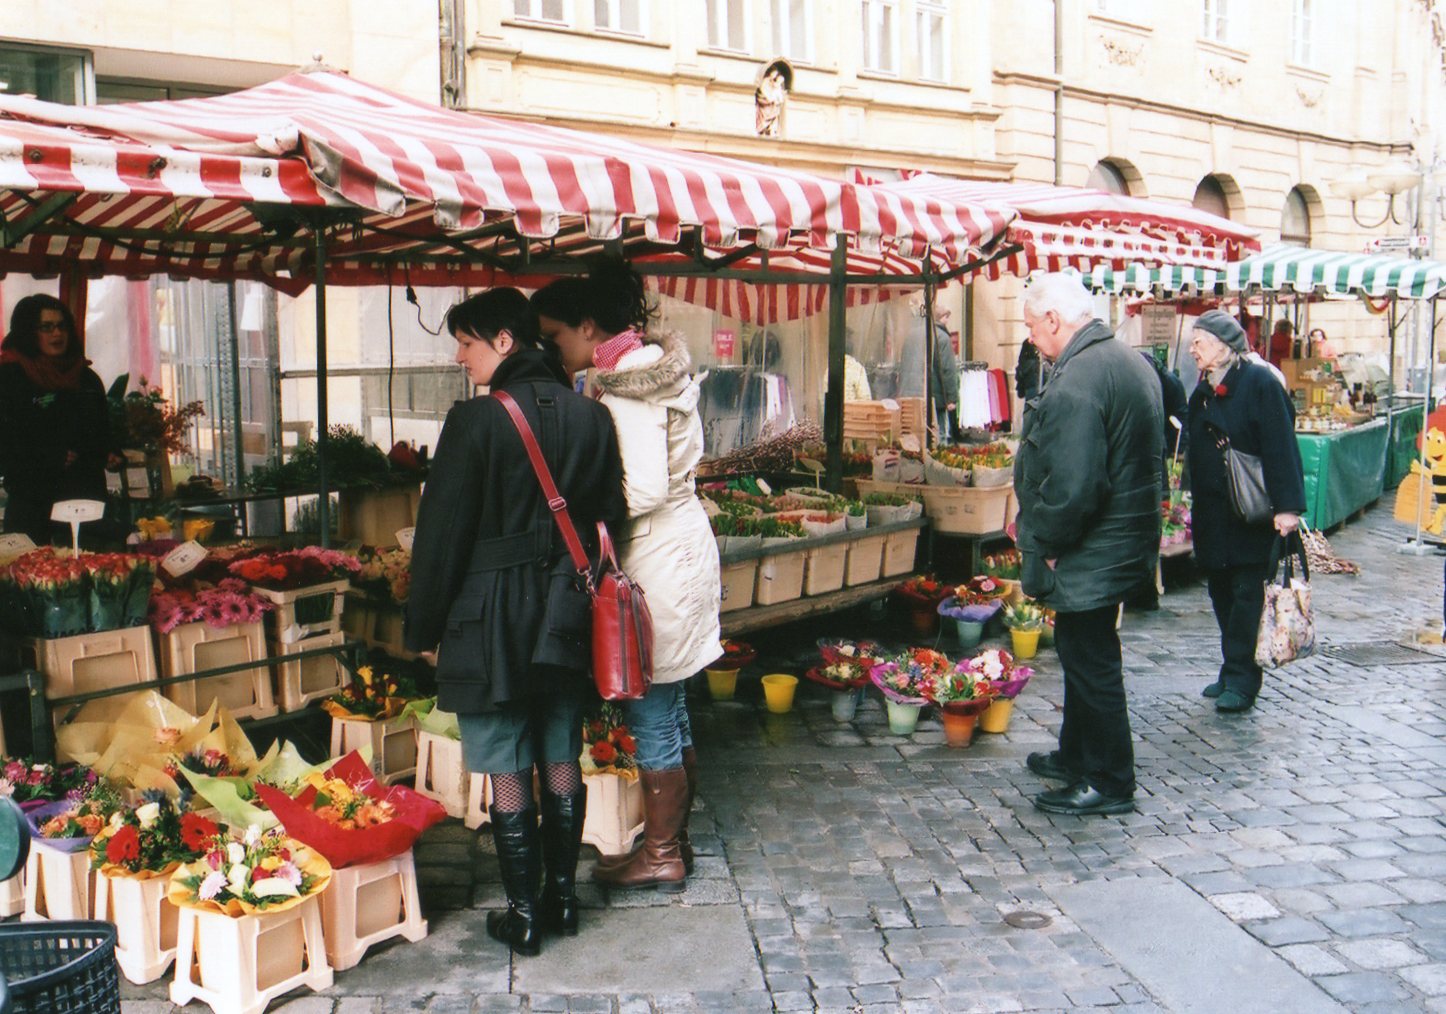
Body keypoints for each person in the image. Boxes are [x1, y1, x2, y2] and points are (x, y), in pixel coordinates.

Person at [404, 288, 626, 956]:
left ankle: (524, 914)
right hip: (567, 610)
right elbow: (611, 514)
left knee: (505, 760)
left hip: (491, 617)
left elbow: (440, 538)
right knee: (561, 749)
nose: (459, 356)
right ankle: (562, 898)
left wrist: (423, 631)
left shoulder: (475, 422)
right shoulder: (594, 418)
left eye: (467, 342)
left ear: (505, 341)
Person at [532, 259, 723, 892]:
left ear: (589, 327)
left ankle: (663, 850)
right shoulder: (645, 372)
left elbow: (638, 488)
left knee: (651, 705)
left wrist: (573, 503)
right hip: (681, 543)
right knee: (671, 701)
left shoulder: (629, 385)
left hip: (658, 553)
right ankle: (674, 842)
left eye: (558, 336)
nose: (555, 349)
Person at [1013, 273, 1163, 816]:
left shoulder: (1080, 377)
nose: (1031, 338)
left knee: (1091, 659)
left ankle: (1109, 778)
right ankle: (1077, 754)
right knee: (1083, 653)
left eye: (1032, 326)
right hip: (1122, 539)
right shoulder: (1124, 359)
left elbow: (1075, 487)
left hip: (1096, 547)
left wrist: (1045, 540)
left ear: (1054, 320)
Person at [1185, 309, 1306, 713]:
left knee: (1245, 596)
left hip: (1251, 514)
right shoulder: (1203, 388)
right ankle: (1231, 667)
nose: (1192, 350)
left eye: (1198, 343)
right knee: (1221, 593)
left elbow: (1281, 447)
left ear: (1222, 347)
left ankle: (1242, 678)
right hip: (1213, 516)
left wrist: (1288, 507)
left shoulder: (1259, 384)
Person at [0, 294, 117, 544]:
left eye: (62, 326)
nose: (57, 334)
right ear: (29, 332)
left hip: (84, 501)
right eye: (47, 327)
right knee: (32, 578)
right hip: (31, 503)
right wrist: (47, 456)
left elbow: (103, 430)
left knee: (91, 576)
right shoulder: (9, 377)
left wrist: (110, 452)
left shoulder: (86, 377)